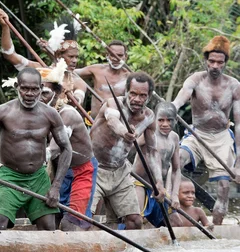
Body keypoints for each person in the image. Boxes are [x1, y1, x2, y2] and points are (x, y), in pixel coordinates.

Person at [0, 68, 72, 230]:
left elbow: (66, 149)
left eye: (34, 89)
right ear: (16, 87)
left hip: (38, 177)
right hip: (9, 176)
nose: (29, 94)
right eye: (25, 88)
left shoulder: (50, 114)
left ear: (41, 89)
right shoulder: (2, 111)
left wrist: (56, 186)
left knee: (49, 228)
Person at [172, 35, 240, 225]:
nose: (215, 66)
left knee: (224, 186)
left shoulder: (234, 85)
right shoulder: (196, 79)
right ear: (206, 61)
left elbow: (239, 122)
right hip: (196, 134)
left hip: (221, 137)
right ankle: (171, 214)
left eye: (220, 62)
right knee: (175, 162)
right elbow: (180, 98)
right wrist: (173, 107)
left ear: (225, 63)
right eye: (212, 61)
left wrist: (238, 164)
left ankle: (217, 231)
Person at [89, 72, 164, 229]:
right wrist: (125, 133)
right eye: (133, 94)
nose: (137, 99)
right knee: (86, 218)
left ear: (149, 96)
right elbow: (112, 120)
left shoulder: (149, 117)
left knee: (135, 221)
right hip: (94, 168)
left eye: (142, 95)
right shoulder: (112, 104)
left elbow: (151, 151)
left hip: (120, 171)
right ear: (126, 92)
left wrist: (159, 182)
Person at [38, 61, 98, 231]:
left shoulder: (67, 114)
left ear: (57, 93)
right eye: (36, 91)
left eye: (44, 93)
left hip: (81, 171)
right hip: (59, 170)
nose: (38, 97)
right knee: (51, 217)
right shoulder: (36, 112)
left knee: (70, 223)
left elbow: (54, 149)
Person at [0, 8, 86, 105]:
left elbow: (78, 102)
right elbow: (10, 55)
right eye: (71, 57)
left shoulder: (79, 82)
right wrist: (5, 27)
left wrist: (69, 94)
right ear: (58, 55)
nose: (75, 61)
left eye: (76, 57)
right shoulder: (40, 70)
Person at [132, 102, 183, 228]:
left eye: (169, 120)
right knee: (136, 220)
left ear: (175, 120)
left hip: (160, 189)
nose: (165, 124)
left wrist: (175, 195)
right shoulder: (147, 135)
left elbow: (176, 170)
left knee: (176, 223)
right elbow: (128, 148)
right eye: (161, 120)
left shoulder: (174, 138)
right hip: (140, 184)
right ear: (155, 119)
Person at [74, 40, 131, 119]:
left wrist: (112, 101)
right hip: (93, 122)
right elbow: (72, 73)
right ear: (107, 55)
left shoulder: (130, 78)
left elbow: (132, 101)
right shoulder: (96, 70)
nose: (116, 58)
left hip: (116, 123)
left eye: (120, 55)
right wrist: (59, 67)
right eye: (112, 55)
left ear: (125, 57)